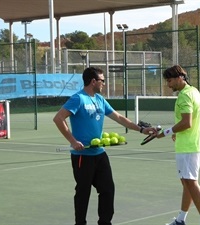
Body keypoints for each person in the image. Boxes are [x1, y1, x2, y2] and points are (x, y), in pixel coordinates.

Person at [53, 67, 157, 225]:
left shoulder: (100, 100)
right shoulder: (78, 98)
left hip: (100, 154)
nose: (104, 84)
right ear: (93, 81)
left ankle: (105, 222)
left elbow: (119, 117)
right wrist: (73, 141)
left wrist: (141, 129)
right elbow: (58, 118)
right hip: (83, 156)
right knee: (83, 192)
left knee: (108, 190)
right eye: (102, 80)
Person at [157, 65, 200, 225]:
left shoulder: (184, 96)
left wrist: (166, 133)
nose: (168, 85)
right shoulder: (194, 92)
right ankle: (181, 219)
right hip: (195, 144)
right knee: (187, 182)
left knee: (191, 183)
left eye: (169, 81)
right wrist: (178, 131)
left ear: (179, 78)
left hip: (189, 147)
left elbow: (187, 122)